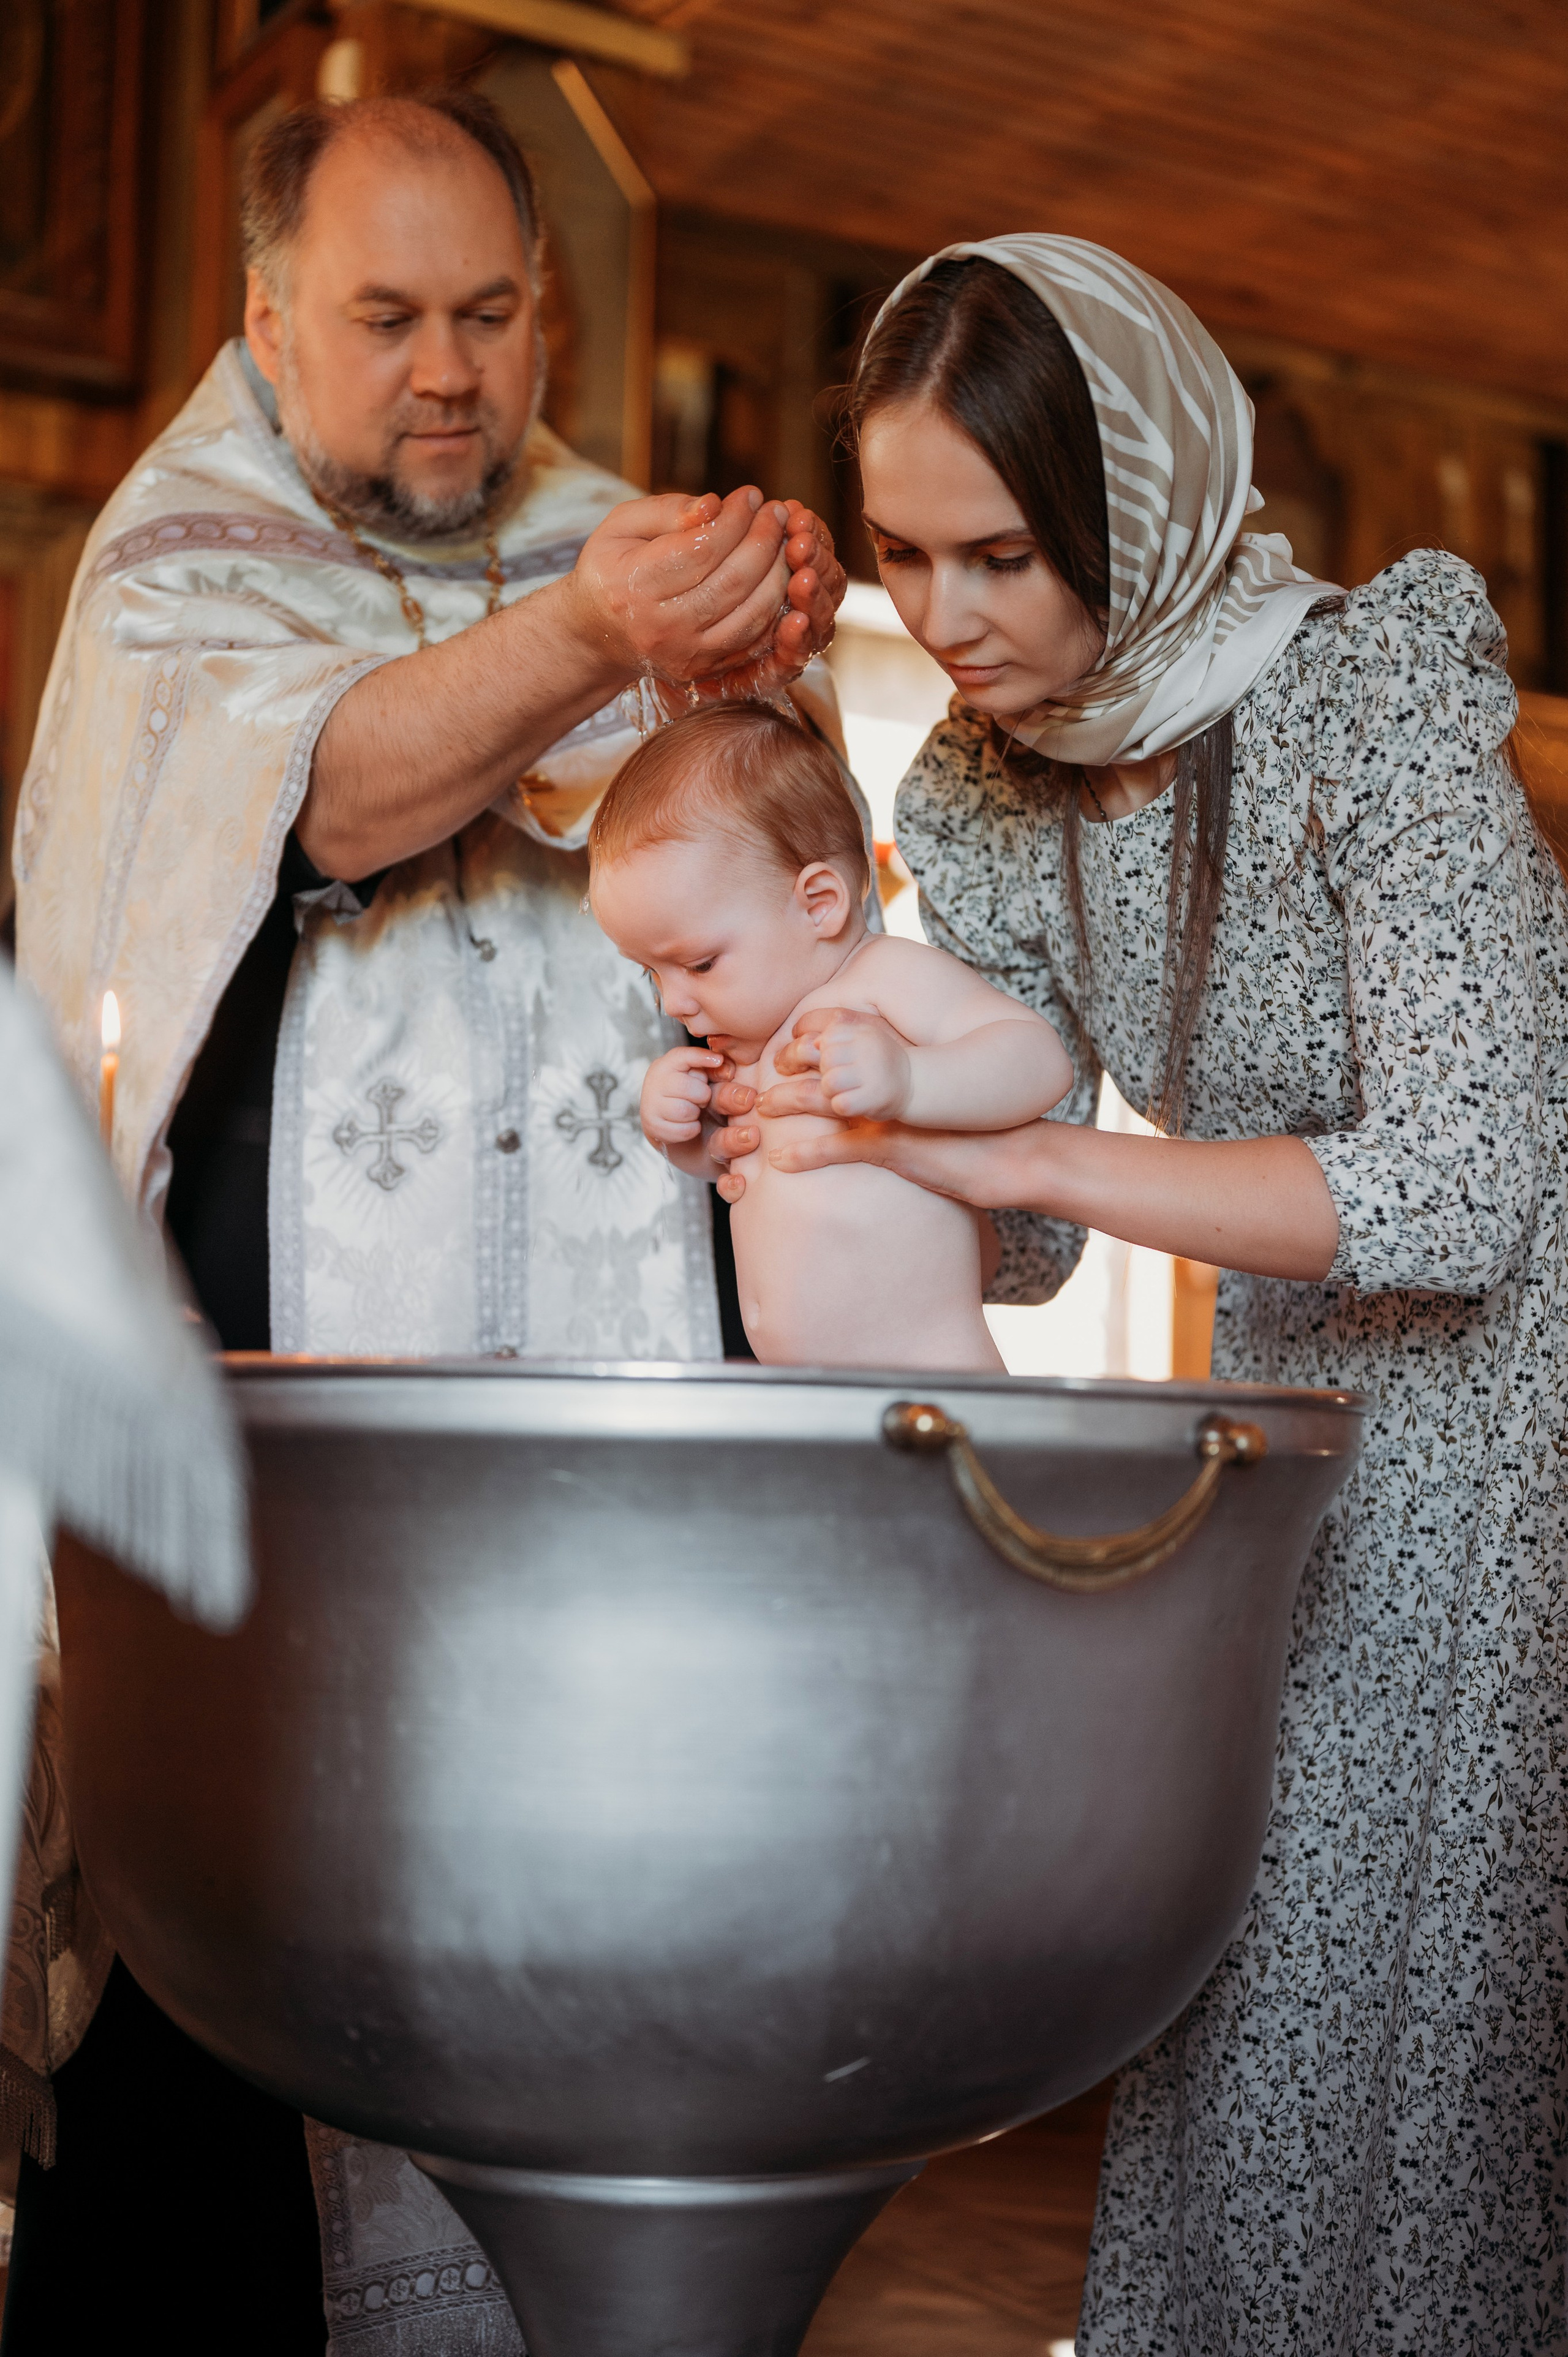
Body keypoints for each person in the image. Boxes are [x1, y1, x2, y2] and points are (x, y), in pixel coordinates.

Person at [7, 87, 847, 2354]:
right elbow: (345, 788)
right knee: (213, 2190)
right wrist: (595, 634)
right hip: (266, 1542)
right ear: (266, 316)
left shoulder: (604, 539)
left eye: (489, 310)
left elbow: (792, 885)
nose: (450, 368)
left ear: (546, 305)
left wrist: (756, 654)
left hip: (614, 1500)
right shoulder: (180, 568)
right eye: (385, 317)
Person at [720, 236, 1568, 2353]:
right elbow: (1028, 1243)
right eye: (906, 556)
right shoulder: (992, 789)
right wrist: (818, 1088)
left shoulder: (1374, 690)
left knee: (1449, 2035)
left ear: (1142, 501)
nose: (947, 617)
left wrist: (1009, 1147)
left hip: (1535, 1394)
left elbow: (1466, 1188)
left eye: (1002, 552)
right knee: (1263, 1994)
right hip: (1311, 1403)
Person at [589, 702, 1069, 1368]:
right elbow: (744, 1163)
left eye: (698, 964)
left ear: (819, 903)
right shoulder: (747, 1043)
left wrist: (909, 1079)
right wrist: (685, 1138)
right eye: (652, 973)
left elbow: (1039, 1060)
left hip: (929, 1374)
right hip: (799, 1390)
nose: (675, 1000)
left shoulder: (881, 978)